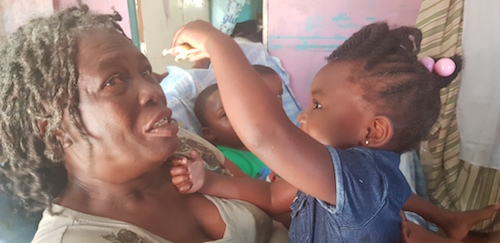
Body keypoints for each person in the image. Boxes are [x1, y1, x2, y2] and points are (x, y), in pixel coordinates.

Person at [169, 21, 500, 242]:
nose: (301, 116)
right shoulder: (358, 172)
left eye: (318, 106)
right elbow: (271, 196)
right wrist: (208, 181)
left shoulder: (354, 177)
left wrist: (218, 43)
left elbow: (265, 133)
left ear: (373, 131)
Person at [0, 5, 290, 243]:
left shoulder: (187, 148)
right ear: (55, 129)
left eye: (145, 71)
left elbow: (274, 204)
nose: (153, 91)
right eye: (113, 81)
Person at [194, 65, 283, 181]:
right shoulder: (224, 160)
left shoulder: (267, 138)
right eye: (225, 114)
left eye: (239, 108)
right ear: (209, 133)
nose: (237, 117)